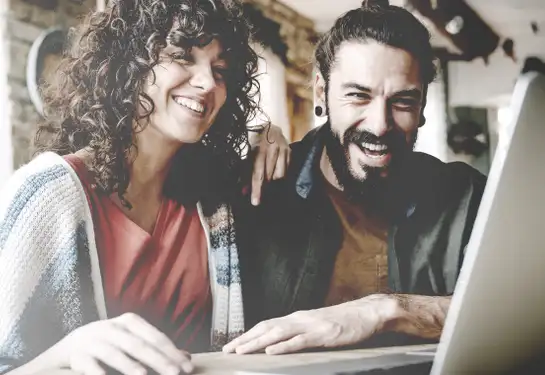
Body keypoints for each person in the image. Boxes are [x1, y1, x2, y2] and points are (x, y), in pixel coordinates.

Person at [0, 1, 289, 374]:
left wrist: (270, 133)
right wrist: (68, 352)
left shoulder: (214, 203)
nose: (207, 83)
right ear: (129, 64)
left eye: (220, 70)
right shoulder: (46, 195)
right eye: (182, 57)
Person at [225, 0, 486, 355]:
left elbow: (523, 309)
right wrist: (257, 134)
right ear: (321, 92)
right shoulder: (261, 188)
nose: (380, 124)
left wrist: (387, 311)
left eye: (403, 102)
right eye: (358, 96)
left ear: (423, 106)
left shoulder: (467, 197)